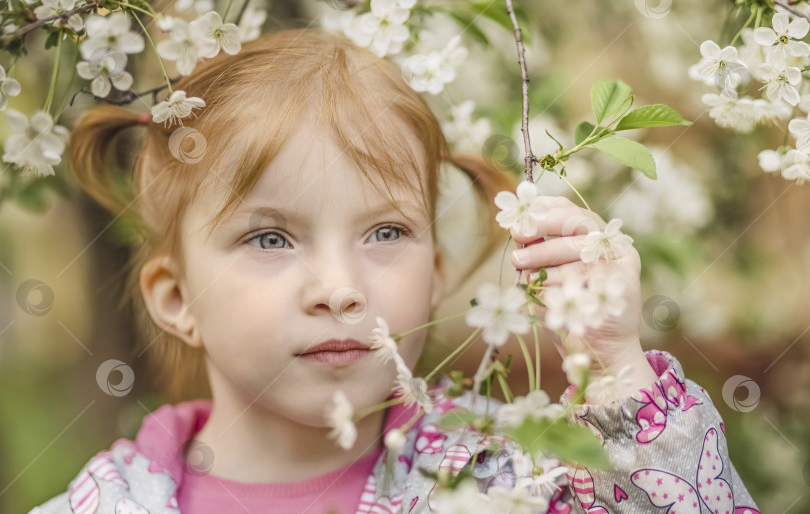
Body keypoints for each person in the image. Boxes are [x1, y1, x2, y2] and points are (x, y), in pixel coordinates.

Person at [28, 27, 759, 513]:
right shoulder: (108, 503)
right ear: (176, 296)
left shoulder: (509, 476)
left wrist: (615, 370)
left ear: (436, 275)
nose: (340, 289)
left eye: (385, 231)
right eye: (272, 240)